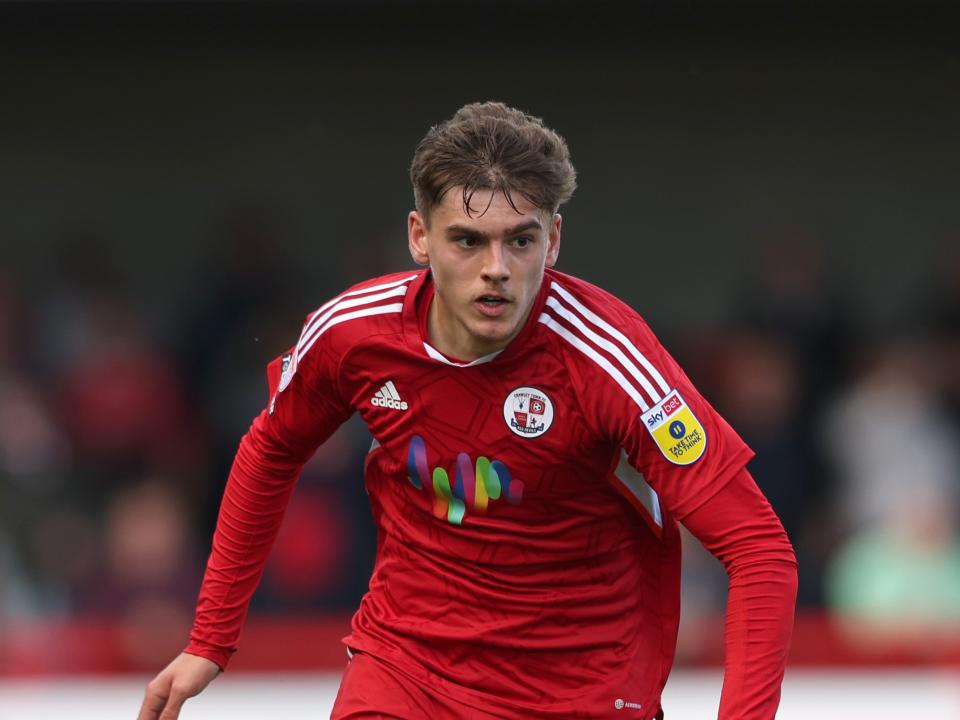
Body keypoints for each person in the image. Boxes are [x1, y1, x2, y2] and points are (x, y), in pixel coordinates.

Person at [138, 101, 797, 720]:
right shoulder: (353, 334)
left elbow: (759, 551)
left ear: (555, 240)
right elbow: (271, 448)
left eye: (520, 240)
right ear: (419, 237)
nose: (497, 268)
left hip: (582, 688)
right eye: (468, 241)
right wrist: (210, 639)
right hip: (407, 671)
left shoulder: (609, 360)